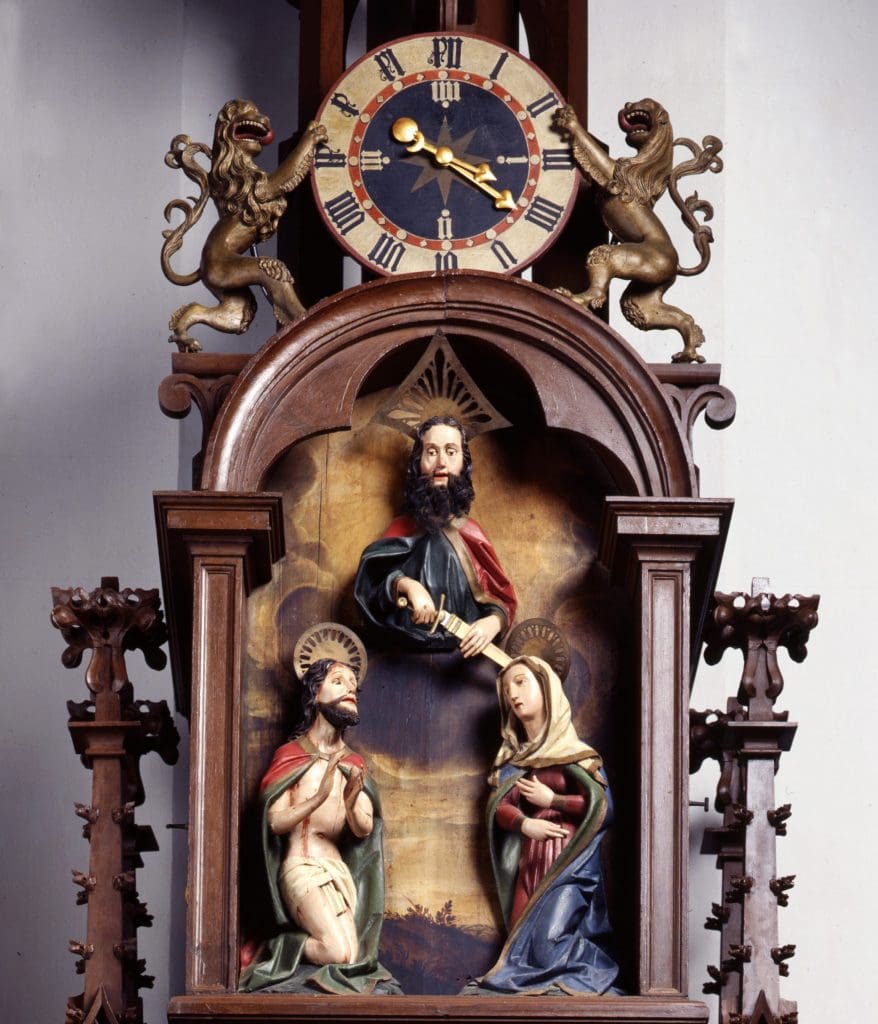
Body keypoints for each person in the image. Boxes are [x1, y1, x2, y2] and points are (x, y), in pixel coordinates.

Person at [239, 656, 399, 994]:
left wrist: (353, 799)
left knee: (351, 954)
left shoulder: (354, 763)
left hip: (337, 871)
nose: (350, 691)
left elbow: (364, 829)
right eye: (339, 681)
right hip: (301, 866)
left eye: (354, 686)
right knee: (338, 951)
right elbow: (274, 820)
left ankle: (293, 954)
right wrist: (318, 797)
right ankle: (277, 946)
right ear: (315, 694)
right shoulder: (292, 755)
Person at [474, 655, 621, 995]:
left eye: (521, 681)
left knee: (547, 943)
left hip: (570, 863)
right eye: (507, 688)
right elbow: (501, 809)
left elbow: (603, 808)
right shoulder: (514, 763)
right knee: (518, 945)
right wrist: (526, 825)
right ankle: (533, 990)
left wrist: (551, 801)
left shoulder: (579, 755)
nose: (513, 693)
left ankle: (596, 964)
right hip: (531, 859)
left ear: (547, 689)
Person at [354, 416, 516, 656]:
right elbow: (369, 586)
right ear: (418, 463)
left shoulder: (471, 533)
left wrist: (493, 622)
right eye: (431, 452)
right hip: (401, 662)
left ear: (464, 463)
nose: (442, 462)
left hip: (461, 666)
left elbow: (500, 599)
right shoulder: (401, 529)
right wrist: (406, 585)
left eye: (451, 452)